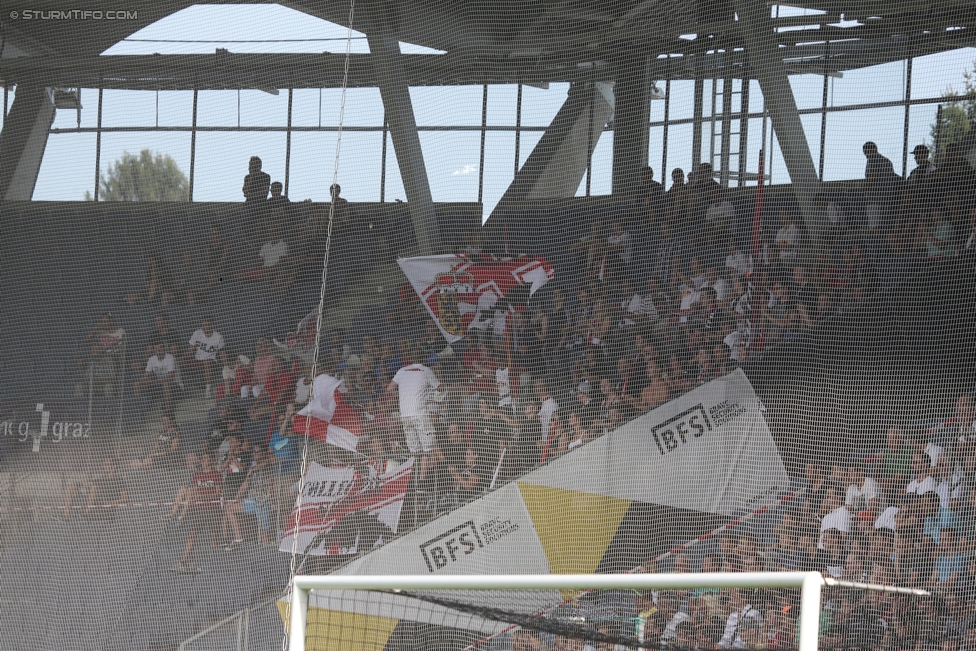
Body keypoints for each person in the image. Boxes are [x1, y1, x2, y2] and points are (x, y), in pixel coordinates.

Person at [170, 453, 222, 573]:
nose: (203, 460)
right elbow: (194, 493)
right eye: (202, 459)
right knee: (192, 535)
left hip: (213, 510)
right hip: (200, 510)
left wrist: (204, 497)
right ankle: (183, 562)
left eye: (205, 458)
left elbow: (218, 493)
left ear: (210, 460)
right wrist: (202, 497)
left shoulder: (216, 474)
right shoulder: (197, 475)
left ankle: (215, 565)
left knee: (213, 538)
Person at [385, 352, 442, 461]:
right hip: (420, 415)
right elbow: (440, 388)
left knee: (414, 451)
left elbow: (389, 388)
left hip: (405, 415)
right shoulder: (426, 370)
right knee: (428, 449)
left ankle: (415, 474)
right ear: (425, 358)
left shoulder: (401, 371)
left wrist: (401, 395)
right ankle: (423, 477)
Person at [62, 457, 128, 520]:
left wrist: (110, 502)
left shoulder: (119, 480)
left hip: (105, 506)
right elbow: (88, 484)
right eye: (104, 464)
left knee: (94, 486)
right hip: (94, 502)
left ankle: (86, 514)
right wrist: (77, 485)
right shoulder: (102, 479)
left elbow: (124, 498)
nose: (104, 467)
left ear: (114, 466)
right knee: (71, 487)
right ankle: (65, 516)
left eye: (107, 464)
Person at [188, 317, 225, 398]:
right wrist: (183, 358)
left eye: (207, 325)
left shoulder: (218, 336)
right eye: (203, 325)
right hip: (197, 360)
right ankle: (181, 386)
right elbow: (190, 350)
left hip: (211, 361)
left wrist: (226, 364)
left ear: (212, 325)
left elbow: (222, 353)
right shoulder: (197, 333)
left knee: (207, 362)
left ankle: (208, 389)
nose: (205, 327)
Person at [133, 342, 176, 410]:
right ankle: (138, 409)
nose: (158, 350)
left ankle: (168, 409)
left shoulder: (170, 357)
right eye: (156, 348)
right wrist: (143, 381)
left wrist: (153, 381)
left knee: (166, 385)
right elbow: (146, 375)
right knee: (137, 384)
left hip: (173, 384)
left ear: (164, 349)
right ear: (154, 350)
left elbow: (170, 378)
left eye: (160, 348)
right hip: (158, 384)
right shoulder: (151, 359)